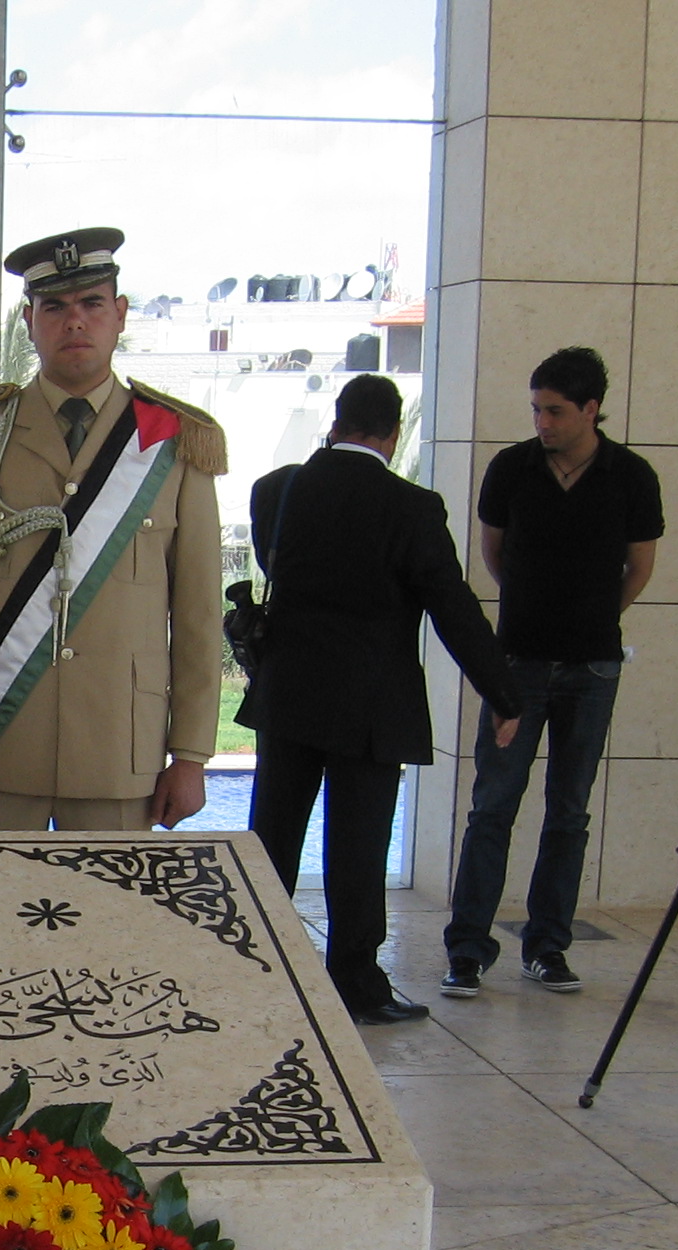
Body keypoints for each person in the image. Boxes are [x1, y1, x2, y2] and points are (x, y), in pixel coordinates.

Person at [0, 227, 223, 830]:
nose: (75, 322)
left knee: (111, 898)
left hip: (120, 753)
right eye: (55, 307)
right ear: (29, 321)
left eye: (92, 303)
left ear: (120, 315)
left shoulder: (173, 439)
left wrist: (191, 754)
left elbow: (198, 613)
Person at [238, 375, 521, 1024]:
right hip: (371, 703)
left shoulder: (276, 490)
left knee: (272, 838)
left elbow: (279, 571)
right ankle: (357, 985)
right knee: (359, 849)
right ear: (393, 434)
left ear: (336, 423)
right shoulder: (412, 508)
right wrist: (502, 693)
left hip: (289, 692)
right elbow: (452, 608)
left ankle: (252, 969)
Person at [441, 348, 665, 998]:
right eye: (537, 409)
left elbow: (640, 566)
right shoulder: (512, 469)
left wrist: (594, 616)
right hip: (518, 663)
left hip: (593, 666)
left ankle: (547, 946)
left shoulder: (631, 475)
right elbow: (494, 554)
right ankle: (467, 950)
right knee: (493, 805)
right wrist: (533, 610)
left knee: (569, 809)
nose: (542, 422)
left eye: (556, 411)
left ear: (591, 409)